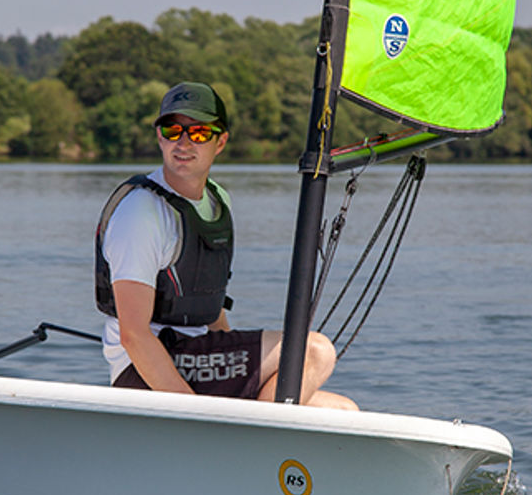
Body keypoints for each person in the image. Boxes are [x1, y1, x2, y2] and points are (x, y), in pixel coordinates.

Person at [95, 81, 357, 409]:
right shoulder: (142, 213)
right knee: (315, 351)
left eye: (200, 133)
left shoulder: (219, 201)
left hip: (200, 359)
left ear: (220, 142)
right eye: (173, 130)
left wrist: (237, 369)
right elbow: (133, 335)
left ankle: (259, 440)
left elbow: (208, 303)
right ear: (159, 136)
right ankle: (252, 450)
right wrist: (195, 416)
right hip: (146, 371)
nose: (184, 142)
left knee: (342, 410)